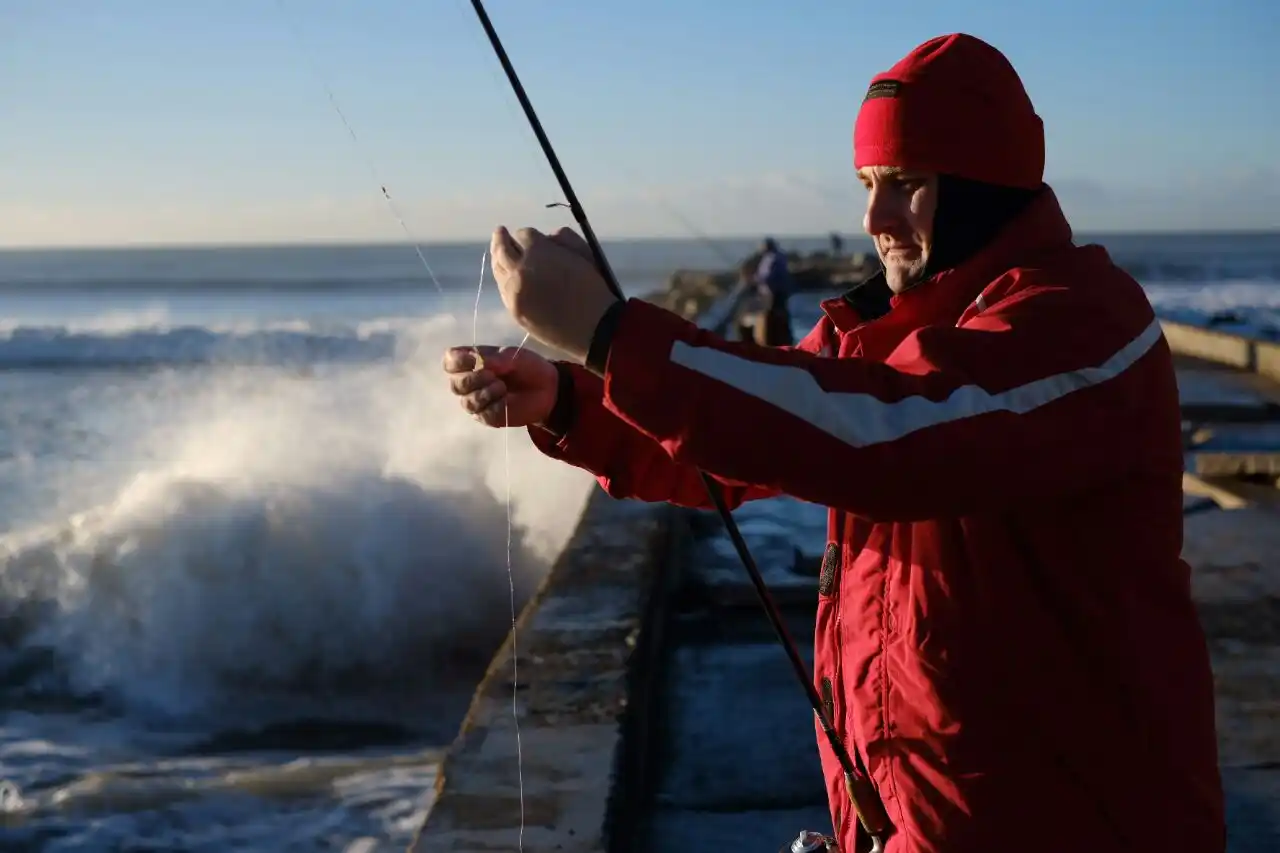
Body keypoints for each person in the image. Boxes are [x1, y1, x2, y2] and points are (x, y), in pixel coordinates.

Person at [442, 33, 1225, 853]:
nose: (873, 219)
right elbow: (747, 436)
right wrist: (574, 399)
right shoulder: (886, 332)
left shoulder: (1083, 323)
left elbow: (887, 438)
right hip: (919, 825)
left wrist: (612, 333)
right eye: (868, 184)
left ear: (985, 189)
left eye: (907, 186)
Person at [753, 236, 796, 346]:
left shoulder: (772, 258)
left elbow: (768, 276)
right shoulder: (778, 256)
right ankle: (782, 340)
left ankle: (771, 341)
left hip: (773, 293)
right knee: (780, 316)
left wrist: (756, 279)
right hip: (778, 292)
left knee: (772, 317)